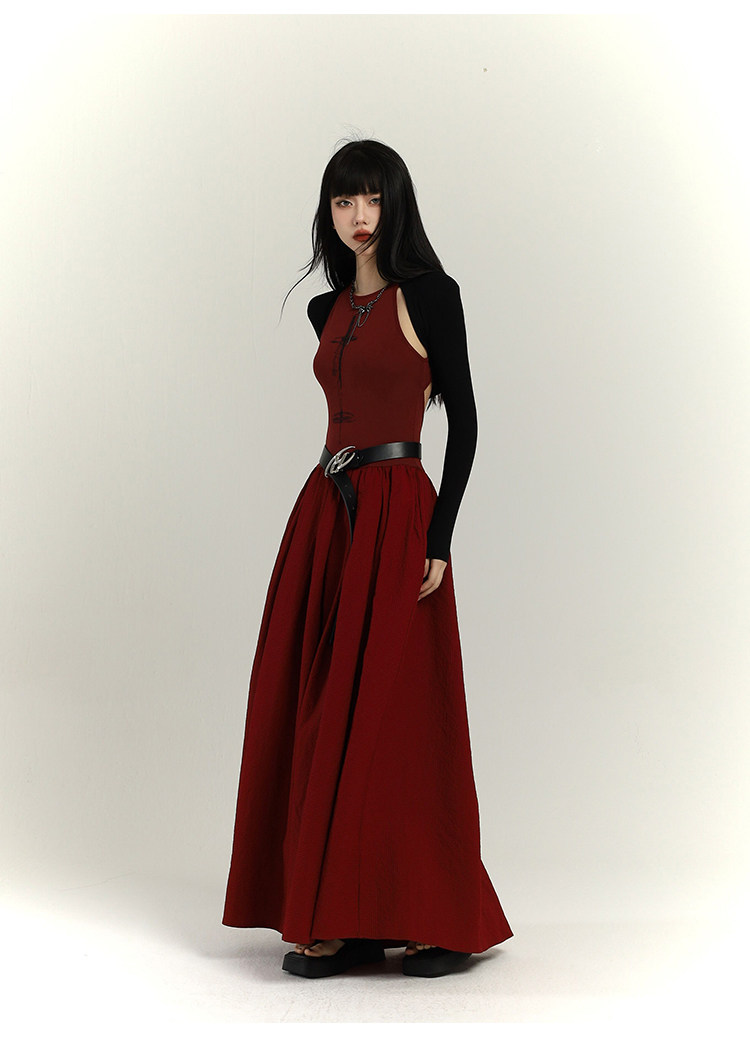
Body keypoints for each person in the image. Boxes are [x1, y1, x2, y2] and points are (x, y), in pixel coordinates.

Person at [222, 139, 513, 979]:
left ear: (397, 206)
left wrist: (439, 537)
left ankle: (434, 915)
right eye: (344, 201)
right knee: (316, 702)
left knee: (398, 711)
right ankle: (341, 915)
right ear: (329, 210)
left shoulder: (432, 295)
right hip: (327, 511)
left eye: (373, 199)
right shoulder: (324, 309)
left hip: (397, 512)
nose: (359, 217)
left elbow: (466, 420)